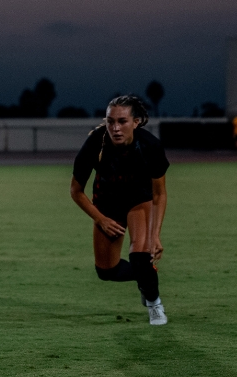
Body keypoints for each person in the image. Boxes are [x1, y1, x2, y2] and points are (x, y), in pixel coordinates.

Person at [70, 95, 168, 326]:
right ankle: (146, 277)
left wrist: (155, 235)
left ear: (136, 122)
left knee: (140, 257)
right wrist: (100, 219)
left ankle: (154, 304)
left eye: (122, 121)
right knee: (106, 272)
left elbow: (159, 194)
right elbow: (76, 191)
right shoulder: (95, 143)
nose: (115, 128)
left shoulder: (150, 145)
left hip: (139, 201)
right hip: (107, 205)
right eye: (110, 121)